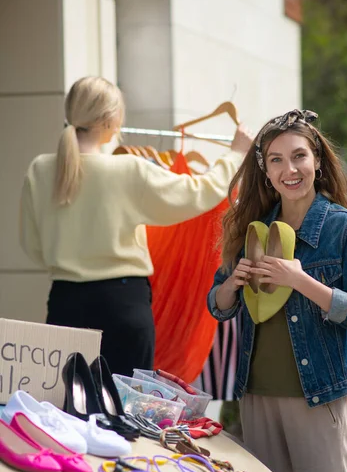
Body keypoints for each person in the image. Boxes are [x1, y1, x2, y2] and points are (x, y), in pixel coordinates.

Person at [207, 109, 347, 472]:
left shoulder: (345, 229)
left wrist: (301, 280)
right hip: (256, 396)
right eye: (277, 160)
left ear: (318, 160)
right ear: (264, 170)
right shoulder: (252, 228)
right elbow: (218, 306)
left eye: (299, 156)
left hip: (318, 398)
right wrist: (233, 283)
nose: (291, 169)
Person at [20, 76, 253, 377]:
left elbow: (32, 245)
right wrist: (235, 154)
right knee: (124, 415)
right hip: (123, 305)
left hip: (65, 302)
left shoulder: (39, 169)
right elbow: (199, 191)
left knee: (65, 416)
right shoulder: (128, 170)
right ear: (110, 120)